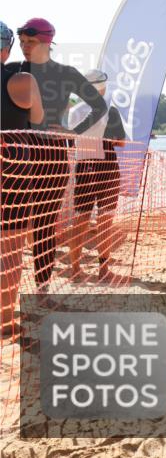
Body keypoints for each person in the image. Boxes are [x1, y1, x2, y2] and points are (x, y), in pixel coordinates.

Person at [13, 18, 107, 290]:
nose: (25, 47)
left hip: (53, 155)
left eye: (30, 42)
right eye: (21, 43)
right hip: (17, 155)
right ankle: (9, 292)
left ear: (46, 42)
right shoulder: (14, 71)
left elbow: (99, 107)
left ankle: (42, 288)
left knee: (44, 224)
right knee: (12, 225)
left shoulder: (66, 74)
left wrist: (74, 132)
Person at [0, 20, 43, 336]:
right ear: (7, 47)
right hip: (12, 173)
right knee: (11, 250)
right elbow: (40, 116)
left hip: (13, 174)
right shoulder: (21, 81)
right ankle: (3, 321)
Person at [67, 70, 128, 284]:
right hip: (106, 168)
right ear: (102, 87)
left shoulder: (73, 111)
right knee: (105, 221)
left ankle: (75, 269)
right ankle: (104, 270)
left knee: (80, 220)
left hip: (83, 166)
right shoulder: (109, 110)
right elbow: (121, 142)